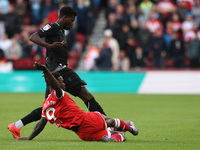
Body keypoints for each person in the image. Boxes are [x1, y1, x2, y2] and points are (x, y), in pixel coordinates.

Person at [8, 6, 106, 139]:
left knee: (47, 108)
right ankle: (108, 125)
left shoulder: (60, 30)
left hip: (54, 73)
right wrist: (49, 46)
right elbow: (33, 37)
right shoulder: (53, 27)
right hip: (61, 72)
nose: (72, 24)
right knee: (86, 95)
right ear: (64, 18)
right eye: (71, 21)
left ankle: (17, 125)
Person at [17, 62, 138, 142]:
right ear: (55, 83)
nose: (64, 84)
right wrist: (45, 69)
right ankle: (130, 128)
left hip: (82, 134)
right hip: (87, 121)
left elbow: (39, 126)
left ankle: (116, 135)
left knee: (108, 136)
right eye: (62, 81)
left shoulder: (45, 106)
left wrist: (29, 138)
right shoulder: (58, 95)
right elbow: (56, 87)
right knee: (108, 120)